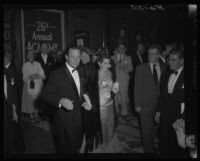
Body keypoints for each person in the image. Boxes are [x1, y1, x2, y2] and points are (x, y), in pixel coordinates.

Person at [42, 45, 92, 153]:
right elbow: (45, 94)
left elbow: (82, 89)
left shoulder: (82, 70)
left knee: (78, 146)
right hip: (65, 120)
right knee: (66, 149)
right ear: (66, 57)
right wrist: (60, 101)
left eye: (78, 57)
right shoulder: (56, 74)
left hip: (81, 116)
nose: (75, 60)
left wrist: (86, 101)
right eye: (72, 56)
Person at [83, 53, 120, 152]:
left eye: (109, 63)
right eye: (105, 63)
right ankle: (102, 145)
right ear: (99, 63)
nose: (108, 66)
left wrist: (115, 89)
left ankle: (108, 142)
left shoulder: (110, 73)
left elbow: (111, 89)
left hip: (110, 105)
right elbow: (85, 89)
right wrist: (89, 103)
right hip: (100, 107)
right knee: (101, 128)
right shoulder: (94, 75)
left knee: (110, 126)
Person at [134, 44, 166, 153]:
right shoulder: (141, 68)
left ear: (159, 55)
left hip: (160, 105)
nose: (150, 56)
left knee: (155, 129)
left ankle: (152, 145)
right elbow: (137, 87)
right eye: (149, 53)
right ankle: (148, 150)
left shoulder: (165, 67)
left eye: (153, 54)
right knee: (146, 132)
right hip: (145, 105)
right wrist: (137, 104)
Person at [155, 49, 186, 157]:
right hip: (165, 116)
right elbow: (162, 96)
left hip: (179, 118)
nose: (170, 62)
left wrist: (183, 117)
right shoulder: (166, 73)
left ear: (182, 61)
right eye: (169, 59)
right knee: (164, 143)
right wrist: (158, 111)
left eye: (174, 60)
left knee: (177, 146)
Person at [4, 51, 25, 155]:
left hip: (14, 101)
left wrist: (15, 106)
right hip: (10, 102)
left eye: (6, 57)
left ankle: (19, 147)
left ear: (8, 58)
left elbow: (19, 84)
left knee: (15, 126)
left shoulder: (13, 69)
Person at [21, 50, 45, 123]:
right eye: (29, 54)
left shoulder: (38, 64)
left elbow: (42, 75)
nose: (31, 55)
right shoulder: (25, 65)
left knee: (37, 101)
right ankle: (31, 117)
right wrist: (35, 75)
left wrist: (33, 76)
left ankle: (36, 116)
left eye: (32, 54)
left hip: (38, 85)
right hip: (29, 85)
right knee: (29, 102)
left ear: (34, 55)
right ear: (27, 56)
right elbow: (25, 77)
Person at [35, 44, 56, 122]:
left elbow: (54, 69)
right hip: (40, 81)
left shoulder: (51, 58)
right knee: (42, 97)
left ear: (48, 48)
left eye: (46, 47)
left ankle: (49, 114)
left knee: (50, 97)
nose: (44, 49)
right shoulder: (36, 58)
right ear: (40, 48)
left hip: (50, 81)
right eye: (43, 47)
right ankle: (42, 114)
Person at [111, 43, 133, 118]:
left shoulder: (128, 57)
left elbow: (131, 68)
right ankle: (116, 111)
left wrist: (125, 69)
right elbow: (110, 69)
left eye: (123, 48)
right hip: (115, 79)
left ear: (125, 49)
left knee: (124, 96)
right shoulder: (112, 57)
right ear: (117, 48)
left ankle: (124, 112)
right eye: (120, 48)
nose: (121, 49)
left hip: (124, 80)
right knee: (115, 96)